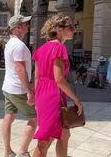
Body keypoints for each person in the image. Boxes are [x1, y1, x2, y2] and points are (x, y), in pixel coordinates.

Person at [32, 14, 83, 157]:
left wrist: (37, 99)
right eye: (70, 27)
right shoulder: (59, 48)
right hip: (53, 96)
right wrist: (76, 100)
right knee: (44, 142)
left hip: (44, 95)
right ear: (58, 30)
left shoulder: (40, 50)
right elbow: (59, 79)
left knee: (64, 135)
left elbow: (36, 77)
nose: (73, 30)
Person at [2, 14, 36, 157]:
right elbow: (20, 69)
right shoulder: (19, 46)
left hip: (8, 87)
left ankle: (8, 151)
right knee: (35, 118)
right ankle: (22, 152)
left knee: (9, 116)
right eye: (25, 23)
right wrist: (29, 90)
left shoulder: (10, 43)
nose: (27, 26)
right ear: (18, 27)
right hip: (18, 89)